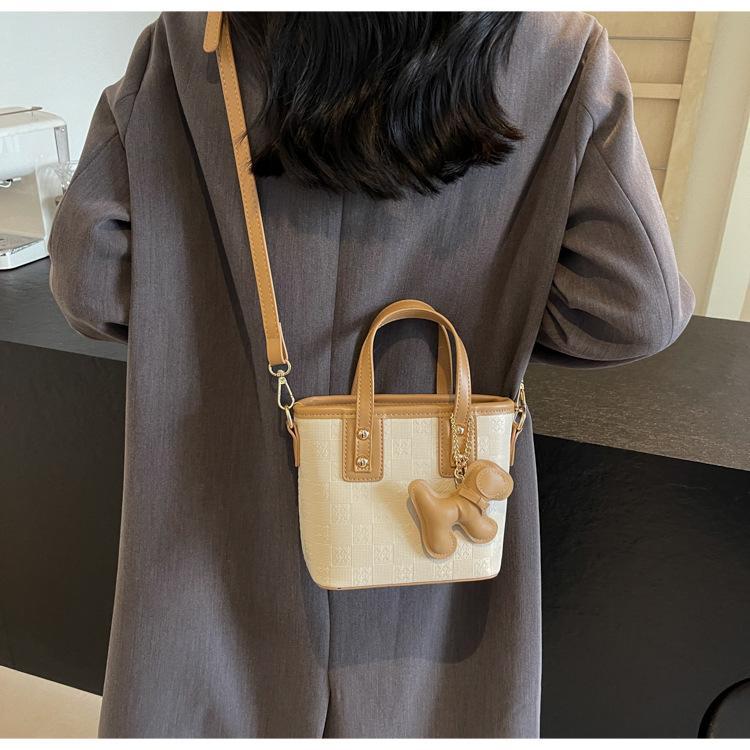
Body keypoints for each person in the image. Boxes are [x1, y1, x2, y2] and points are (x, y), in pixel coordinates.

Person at [48, 11, 694, 738]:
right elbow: (637, 307)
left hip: (218, 523)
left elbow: (90, 280)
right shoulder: (561, 49)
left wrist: (199, 317)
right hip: (437, 526)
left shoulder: (188, 47)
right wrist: (499, 315)